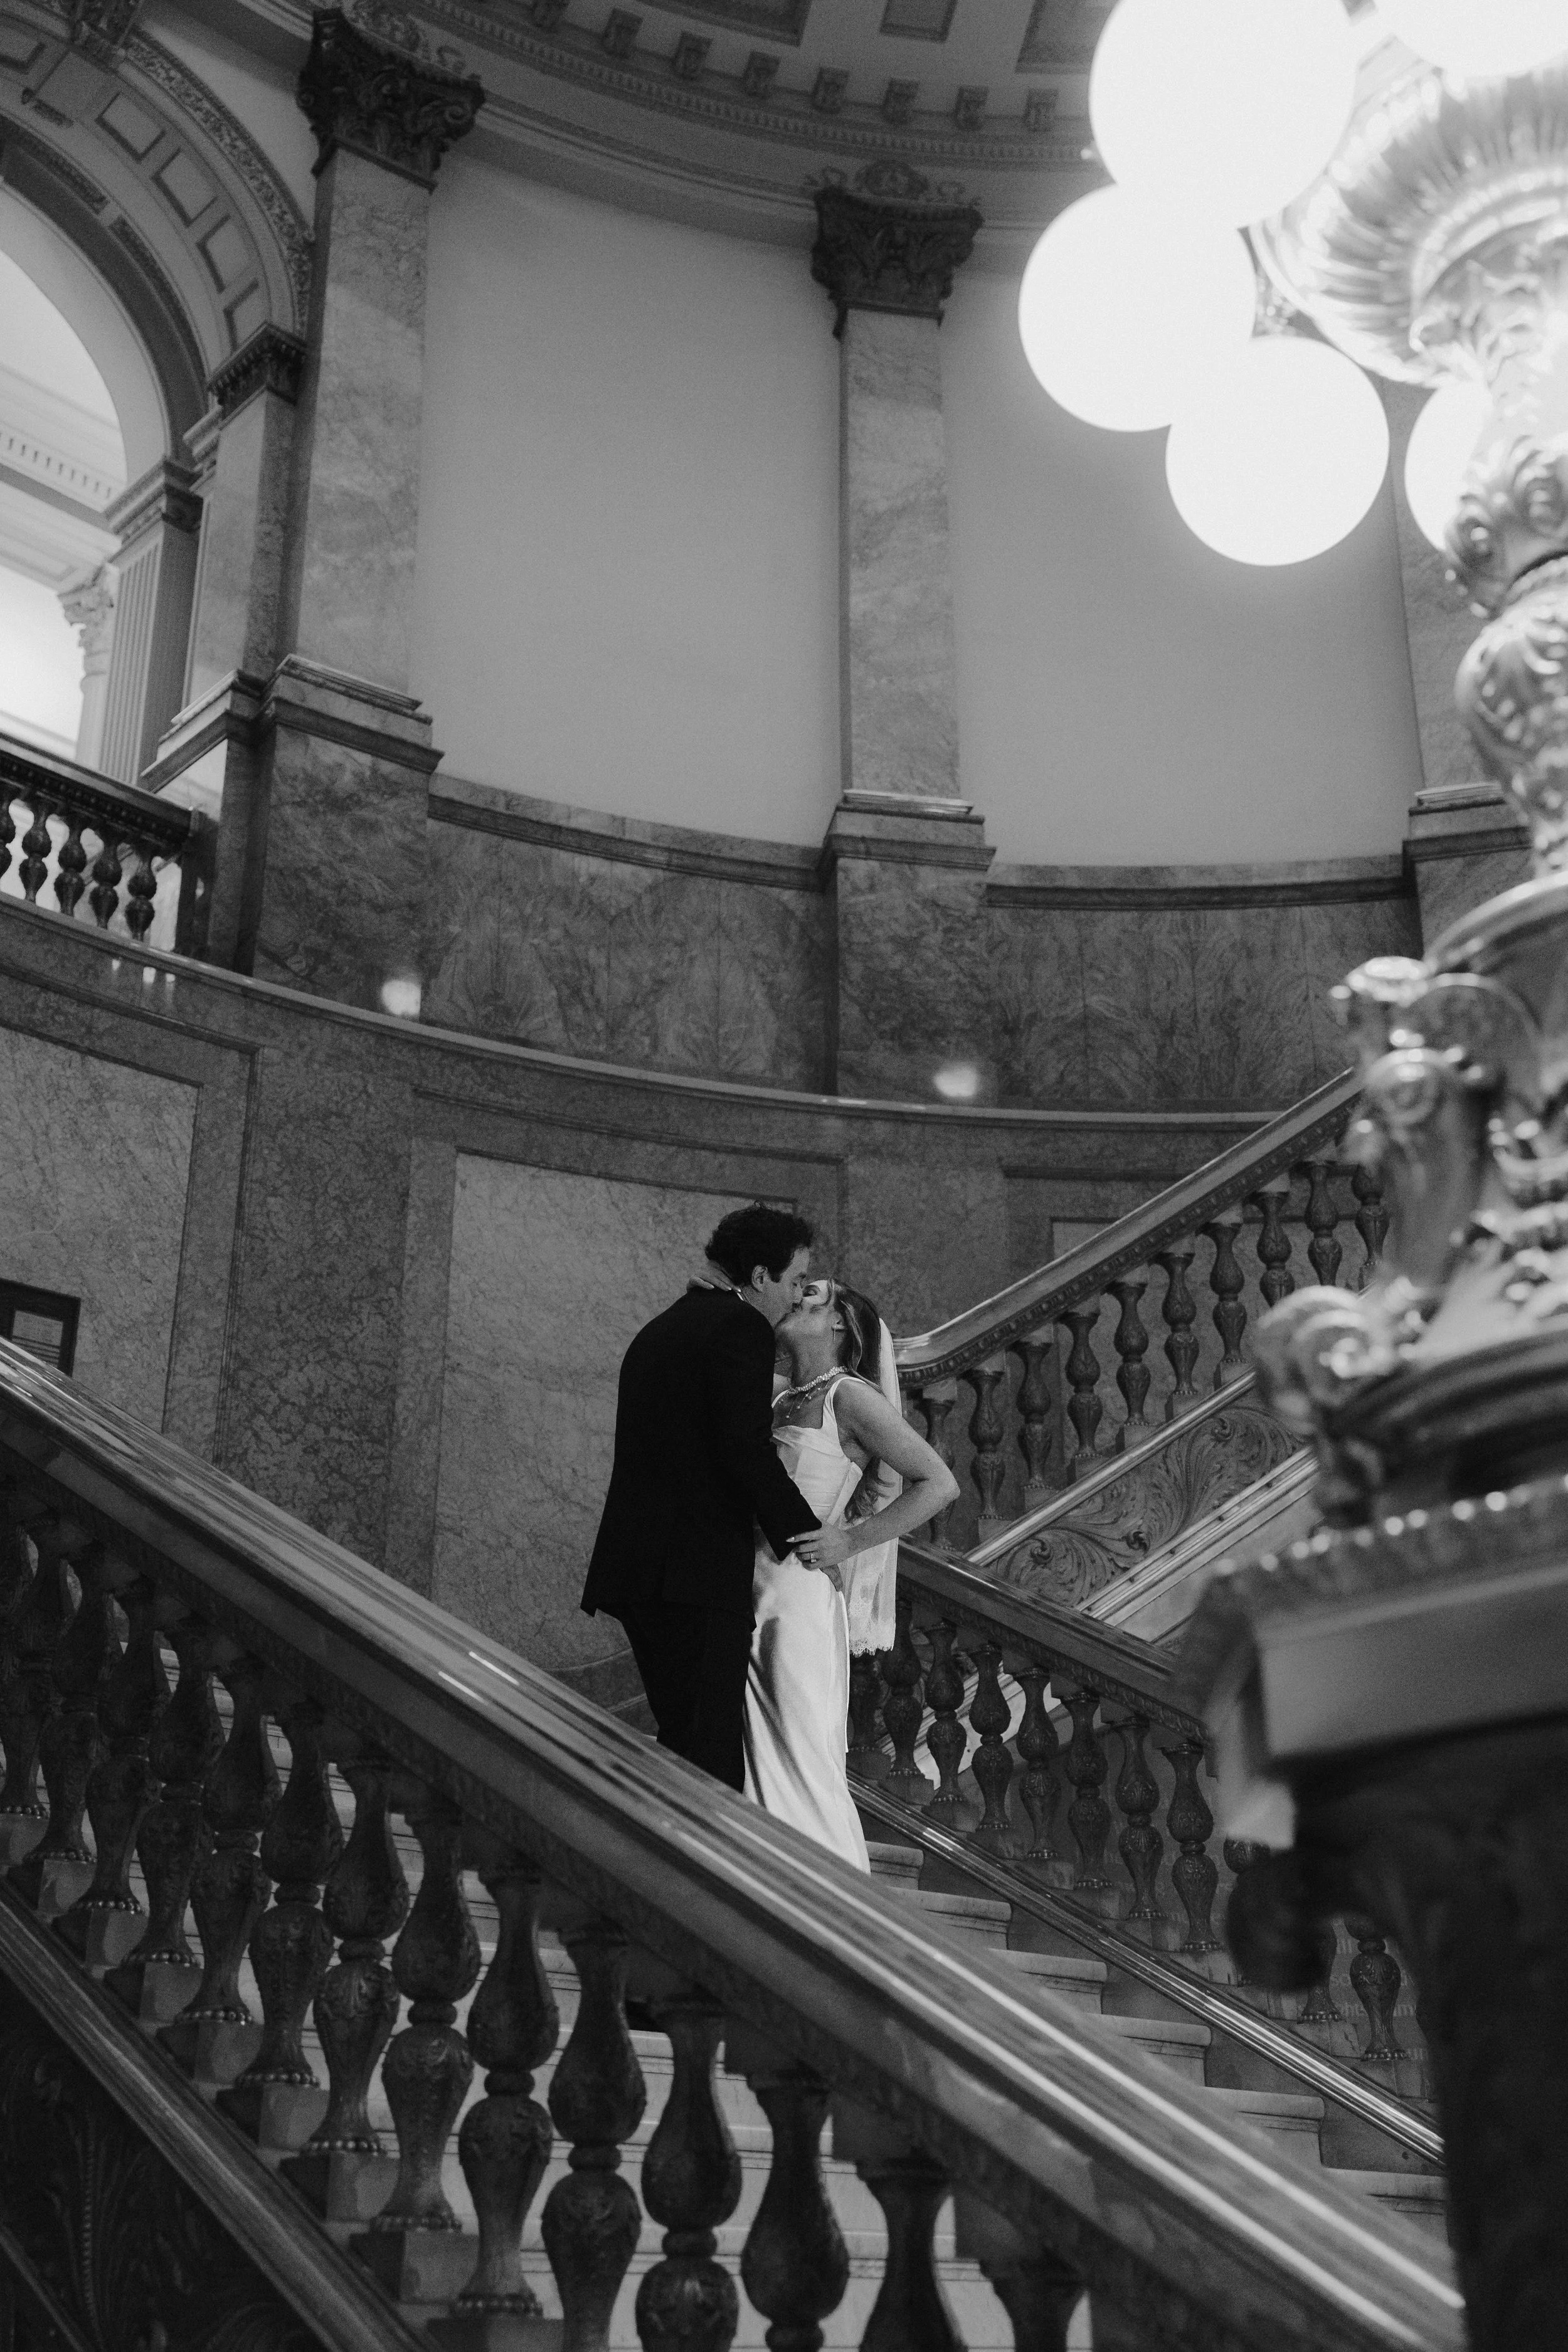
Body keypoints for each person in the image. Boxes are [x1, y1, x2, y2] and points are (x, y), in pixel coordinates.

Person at [581, 1202, 822, 1789]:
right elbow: (744, 1448)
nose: (797, 1296)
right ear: (760, 1276)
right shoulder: (739, 1327)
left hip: (644, 1569)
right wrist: (810, 1538)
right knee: (708, 1764)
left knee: (684, 1746)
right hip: (692, 1574)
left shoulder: (668, 1325)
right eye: (794, 1280)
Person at [744, 1278, 959, 1869]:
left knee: (799, 1758)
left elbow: (939, 1483)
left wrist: (848, 1541)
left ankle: (831, 1906)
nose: (796, 1297)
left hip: (794, 1599)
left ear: (842, 1325)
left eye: (814, 1295)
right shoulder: (780, 1396)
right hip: (745, 1588)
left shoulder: (851, 1397)